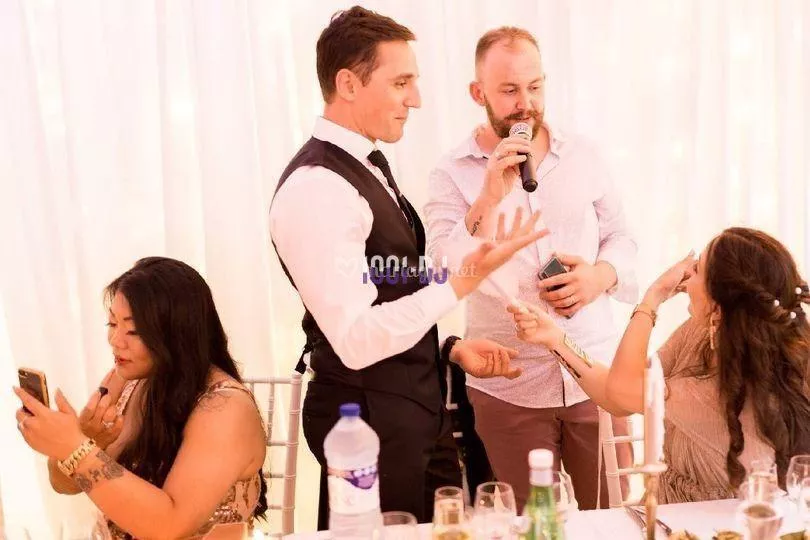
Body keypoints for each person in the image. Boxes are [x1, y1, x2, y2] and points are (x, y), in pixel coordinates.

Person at [268, 7, 548, 527]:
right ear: (348, 84)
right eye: (401, 82)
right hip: (368, 426)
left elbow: (399, 283)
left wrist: (448, 348)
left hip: (414, 413)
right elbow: (355, 338)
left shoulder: (364, 166)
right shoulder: (317, 188)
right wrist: (463, 284)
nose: (415, 98)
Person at [424, 26, 636, 509]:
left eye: (535, 87)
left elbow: (623, 238)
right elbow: (440, 268)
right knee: (529, 525)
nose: (526, 104)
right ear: (478, 93)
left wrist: (598, 276)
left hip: (594, 375)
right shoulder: (451, 171)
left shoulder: (585, 154)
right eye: (509, 90)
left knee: (612, 518)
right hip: (509, 385)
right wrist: (487, 196)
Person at [511, 227, 810, 503]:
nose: (686, 276)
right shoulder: (700, 332)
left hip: (712, 525)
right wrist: (556, 339)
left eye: (697, 270)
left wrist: (653, 297)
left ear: (718, 308)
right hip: (664, 513)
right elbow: (618, 394)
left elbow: (622, 391)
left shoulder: (718, 395)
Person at [14, 257, 268, 539]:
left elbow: (169, 525)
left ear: (177, 332)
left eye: (133, 330)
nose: (115, 340)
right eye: (112, 323)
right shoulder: (126, 379)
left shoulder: (226, 408)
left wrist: (76, 447)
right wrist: (83, 439)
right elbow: (65, 484)